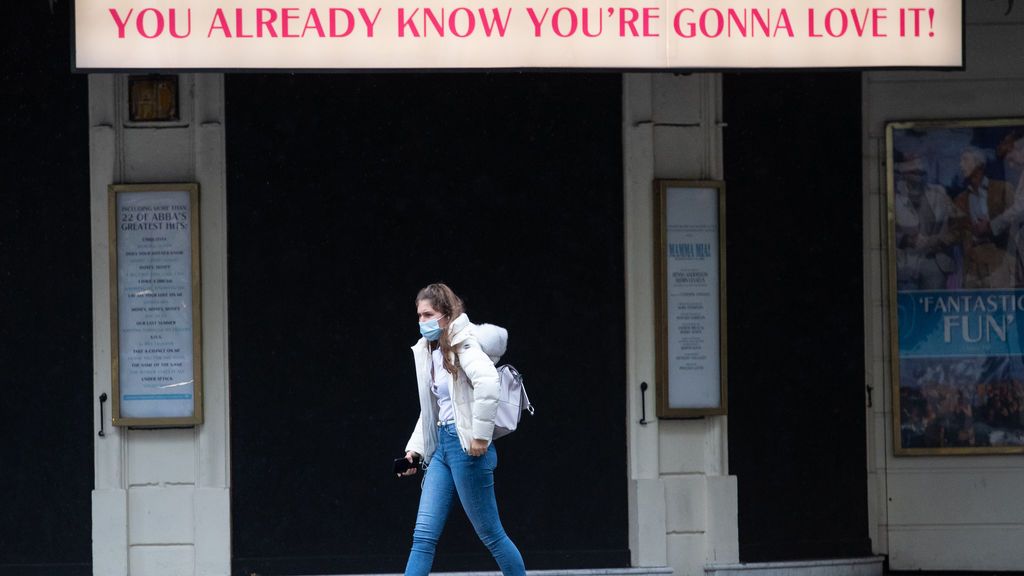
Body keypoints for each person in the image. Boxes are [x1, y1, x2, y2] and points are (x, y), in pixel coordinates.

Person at [398, 283, 525, 576]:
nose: (422, 322)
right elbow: (434, 408)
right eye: (418, 315)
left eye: (428, 314)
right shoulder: (429, 352)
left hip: (465, 446)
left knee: (492, 535)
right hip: (442, 446)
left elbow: (488, 383)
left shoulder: (463, 343)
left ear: (445, 314)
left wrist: (481, 436)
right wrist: (414, 451)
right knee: (423, 537)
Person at [893, 157, 962, 289]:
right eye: (914, 173)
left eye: (922, 173)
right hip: (905, 265)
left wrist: (937, 240)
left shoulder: (939, 193)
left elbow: (960, 226)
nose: (919, 177)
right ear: (904, 174)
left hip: (935, 263)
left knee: (935, 307)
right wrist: (907, 240)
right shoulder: (894, 197)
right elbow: (885, 234)